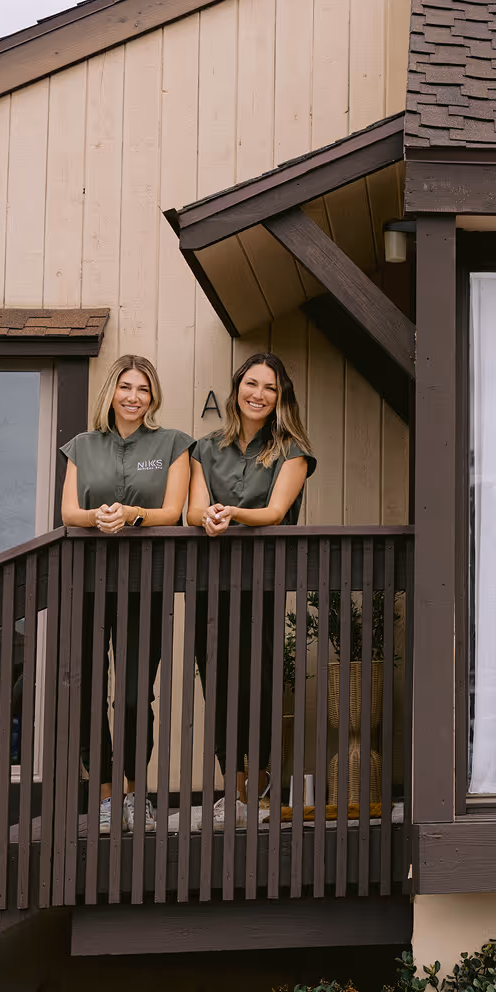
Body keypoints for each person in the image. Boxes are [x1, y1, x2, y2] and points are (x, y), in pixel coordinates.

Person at [60, 354, 192, 835]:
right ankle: (105, 796)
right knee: (89, 692)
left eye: (143, 389)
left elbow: (173, 511)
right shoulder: (81, 446)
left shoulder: (173, 444)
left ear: (152, 396)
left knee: (135, 695)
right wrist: (98, 516)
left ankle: (135, 794)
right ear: (111, 393)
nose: (134, 397)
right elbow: (68, 512)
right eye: (126, 387)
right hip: (88, 583)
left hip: (146, 584)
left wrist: (133, 514)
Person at [187, 352, 315, 825]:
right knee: (216, 681)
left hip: (263, 581)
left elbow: (276, 513)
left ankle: (259, 790)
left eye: (270, 388)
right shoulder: (204, 449)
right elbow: (192, 511)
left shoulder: (292, 452)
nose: (258, 394)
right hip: (210, 581)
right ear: (237, 387)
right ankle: (232, 792)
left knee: (257, 681)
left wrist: (230, 513)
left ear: (280, 398)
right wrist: (208, 514)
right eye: (251, 384)